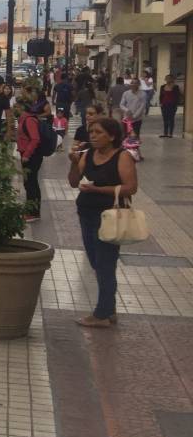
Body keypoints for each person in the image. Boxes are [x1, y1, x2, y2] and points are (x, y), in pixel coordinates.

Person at [67, 118, 137, 328]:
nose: (93, 136)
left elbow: (130, 188)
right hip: (86, 213)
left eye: (98, 132)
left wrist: (98, 190)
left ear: (112, 136)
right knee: (96, 263)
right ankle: (109, 308)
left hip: (110, 215)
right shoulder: (88, 155)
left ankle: (102, 314)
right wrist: (73, 161)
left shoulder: (122, 156)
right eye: (92, 132)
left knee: (106, 263)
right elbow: (73, 182)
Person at [16, 99, 45, 222]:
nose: (14, 108)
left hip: (32, 156)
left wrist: (26, 155)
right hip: (28, 154)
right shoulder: (24, 118)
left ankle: (33, 213)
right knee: (29, 183)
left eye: (16, 106)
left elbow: (35, 139)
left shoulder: (29, 120)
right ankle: (31, 210)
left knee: (31, 183)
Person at [119, 77, 148, 154]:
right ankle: (125, 152)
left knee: (135, 136)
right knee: (126, 136)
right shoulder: (126, 93)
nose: (134, 84)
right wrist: (127, 110)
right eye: (132, 83)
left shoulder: (143, 94)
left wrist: (134, 116)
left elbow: (142, 106)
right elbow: (121, 104)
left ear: (139, 84)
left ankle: (137, 153)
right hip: (127, 119)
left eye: (136, 83)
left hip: (137, 119)